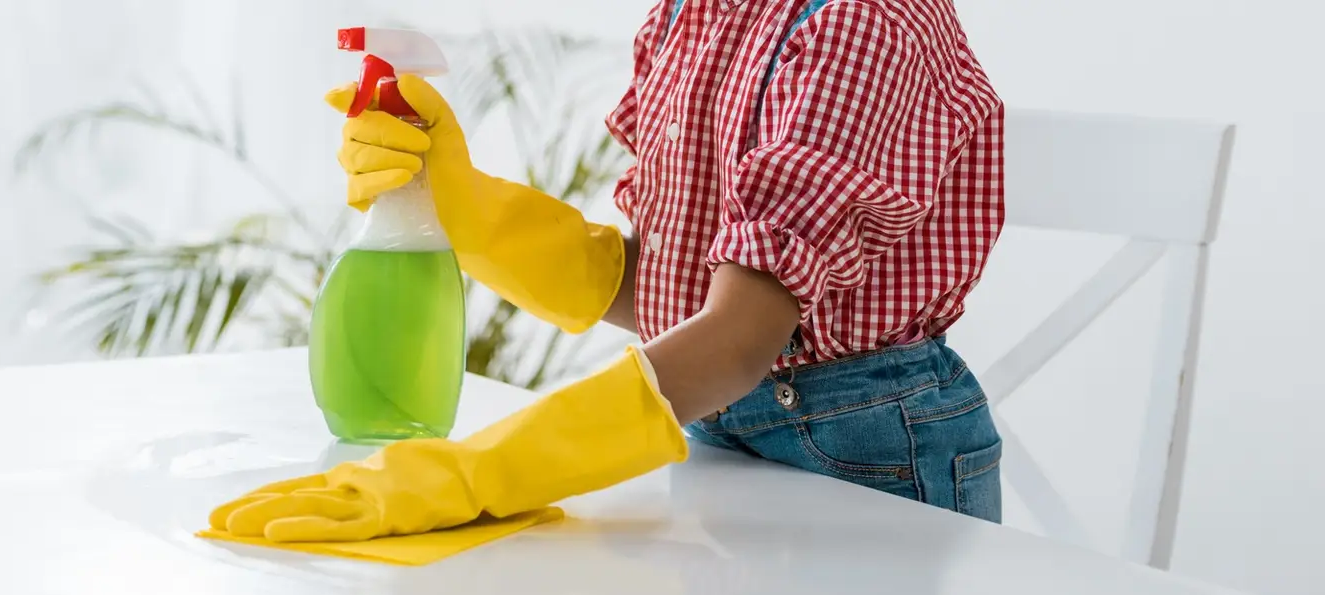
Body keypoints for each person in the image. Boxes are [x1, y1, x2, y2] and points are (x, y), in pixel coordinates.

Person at [207, 0, 1005, 544]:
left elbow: (736, 341)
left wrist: (484, 470)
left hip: (871, 449)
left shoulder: (862, 26)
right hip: (721, 436)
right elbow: (679, 294)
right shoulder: (702, 14)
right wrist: (468, 209)